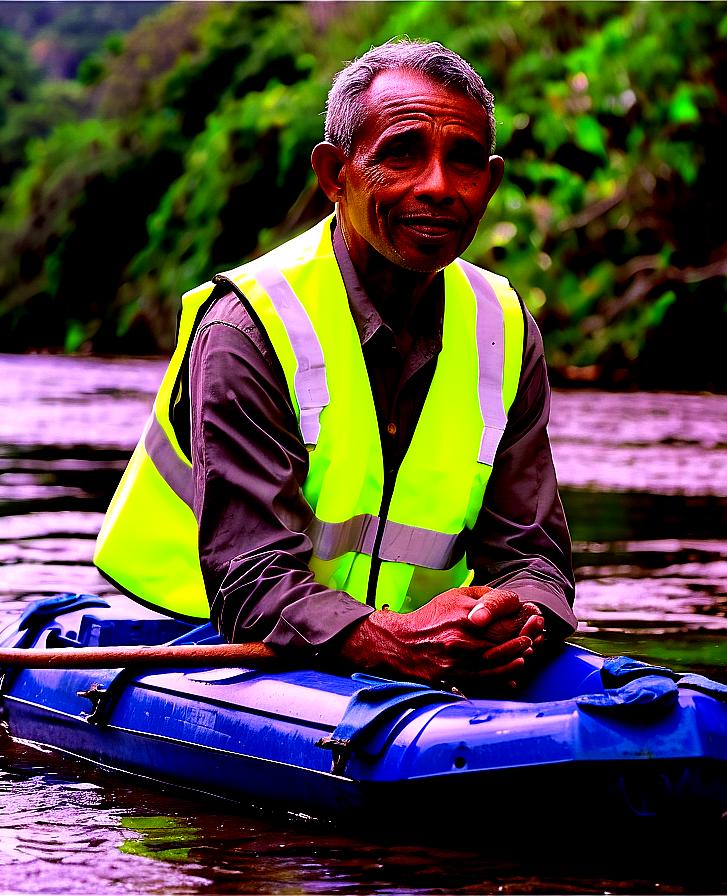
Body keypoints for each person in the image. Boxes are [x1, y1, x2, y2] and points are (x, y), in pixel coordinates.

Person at [94, 40, 577, 692]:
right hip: (189, 642)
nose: (437, 186)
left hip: (403, 653)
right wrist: (396, 642)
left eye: (462, 162)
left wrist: (513, 620)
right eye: (401, 154)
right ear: (333, 174)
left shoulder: (505, 326)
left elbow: (531, 555)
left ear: (487, 185)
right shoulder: (248, 328)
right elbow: (251, 579)